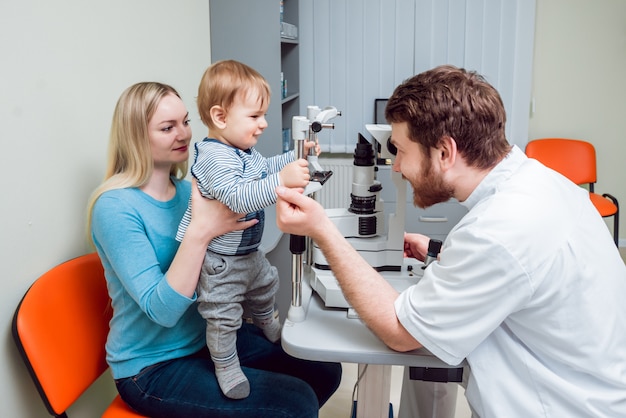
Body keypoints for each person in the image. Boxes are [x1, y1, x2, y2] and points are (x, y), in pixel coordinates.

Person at [274, 65, 626, 417]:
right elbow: (524, 273)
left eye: (400, 151)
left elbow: (400, 331)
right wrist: (440, 253)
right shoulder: (543, 183)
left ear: (444, 152)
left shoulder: (498, 230)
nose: (396, 168)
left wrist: (323, 229)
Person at [87, 81, 341, 418]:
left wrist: (296, 160)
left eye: (186, 122)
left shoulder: (189, 190)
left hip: (205, 336)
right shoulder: (115, 208)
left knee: (324, 369)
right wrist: (201, 231)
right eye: (168, 127)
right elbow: (163, 312)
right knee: (294, 404)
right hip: (152, 366)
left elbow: (254, 177)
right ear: (135, 136)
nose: (185, 134)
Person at [175, 60, 320, 399]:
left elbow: (263, 169)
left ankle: (267, 321)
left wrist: (291, 159)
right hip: (221, 263)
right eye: (254, 117)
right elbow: (239, 197)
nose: (263, 124)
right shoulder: (213, 158)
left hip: (247, 253)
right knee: (223, 319)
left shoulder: (242, 151)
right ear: (221, 117)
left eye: (264, 115)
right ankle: (226, 365)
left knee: (267, 283)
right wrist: (281, 182)